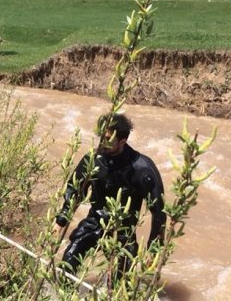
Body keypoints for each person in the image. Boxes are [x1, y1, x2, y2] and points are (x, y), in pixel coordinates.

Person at [55, 113, 166, 277]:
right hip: (94, 221)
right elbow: (74, 189)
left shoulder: (142, 169)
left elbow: (158, 212)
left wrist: (154, 248)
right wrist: (61, 221)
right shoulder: (93, 159)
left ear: (122, 141)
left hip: (123, 231)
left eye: (108, 139)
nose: (102, 142)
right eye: (101, 136)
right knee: (66, 266)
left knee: (120, 284)